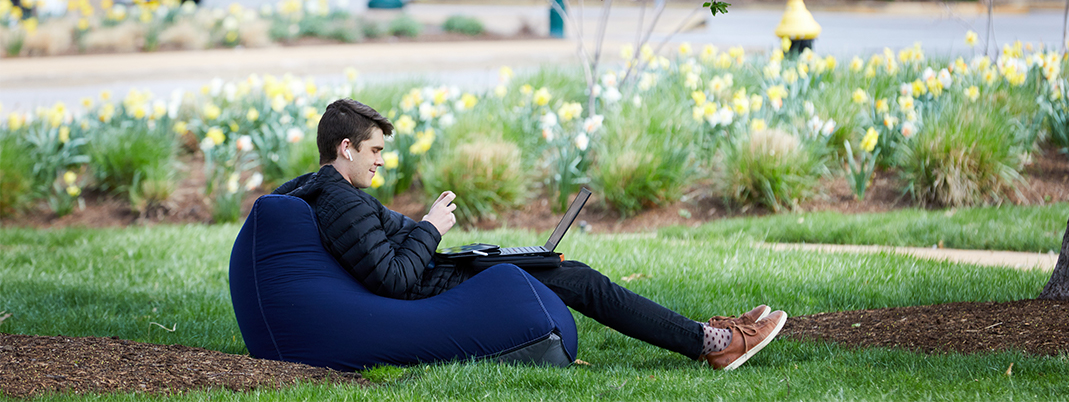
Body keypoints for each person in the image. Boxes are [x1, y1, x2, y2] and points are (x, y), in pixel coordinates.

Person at [274, 99, 789, 371]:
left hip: (448, 274)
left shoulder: (330, 193)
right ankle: (711, 342)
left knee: (564, 269)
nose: (382, 162)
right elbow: (394, 280)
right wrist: (430, 227)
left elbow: (387, 254)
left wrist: (437, 236)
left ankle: (704, 335)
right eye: (374, 152)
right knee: (581, 281)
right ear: (345, 148)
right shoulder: (341, 203)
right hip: (440, 290)